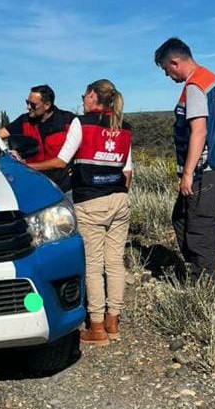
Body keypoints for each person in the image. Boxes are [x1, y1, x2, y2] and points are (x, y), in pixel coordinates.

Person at [32, 79, 133, 345]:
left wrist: (28, 166)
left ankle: (97, 327)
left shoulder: (82, 123)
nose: (83, 100)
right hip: (119, 201)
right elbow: (127, 170)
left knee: (93, 266)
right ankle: (114, 321)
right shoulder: (124, 127)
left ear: (91, 97)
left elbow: (61, 161)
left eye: (84, 95)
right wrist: (119, 194)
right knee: (114, 264)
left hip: (90, 201)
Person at [154, 38, 215, 282]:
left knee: (199, 225)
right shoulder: (210, 77)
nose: (168, 76)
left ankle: (202, 285)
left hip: (206, 169)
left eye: (166, 70)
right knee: (181, 217)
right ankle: (197, 269)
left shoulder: (195, 86)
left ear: (174, 61)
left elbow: (198, 131)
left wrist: (188, 173)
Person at [0, 85, 75, 191]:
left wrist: (25, 166)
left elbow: (61, 162)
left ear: (47, 105)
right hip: (35, 185)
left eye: (32, 104)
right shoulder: (24, 120)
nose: (28, 107)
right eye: (27, 102)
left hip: (64, 188)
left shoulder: (68, 121)